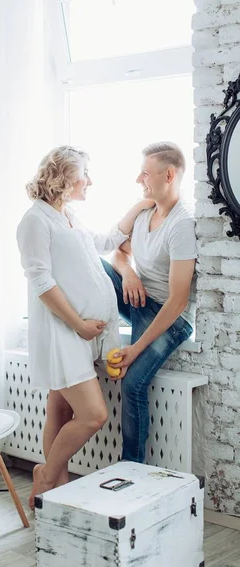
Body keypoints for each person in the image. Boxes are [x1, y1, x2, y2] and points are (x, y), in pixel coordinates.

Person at [16, 146, 154, 508]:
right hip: (63, 331)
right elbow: (40, 281)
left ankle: (55, 491)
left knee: (59, 410)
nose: (89, 181)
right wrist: (78, 324)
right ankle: (45, 474)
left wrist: (139, 208)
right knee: (93, 415)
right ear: (64, 176)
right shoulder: (35, 220)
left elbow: (104, 243)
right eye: (84, 174)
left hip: (80, 333)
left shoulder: (68, 215)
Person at [103, 141, 197, 464]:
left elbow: (178, 302)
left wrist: (135, 348)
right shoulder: (145, 213)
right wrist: (128, 272)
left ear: (169, 175)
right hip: (139, 300)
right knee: (96, 267)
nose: (139, 179)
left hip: (168, 319)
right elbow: (116, 251)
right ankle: (88, 334)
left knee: (132, 386)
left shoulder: (181, 225)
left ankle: (132, 468)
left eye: (145, 173)